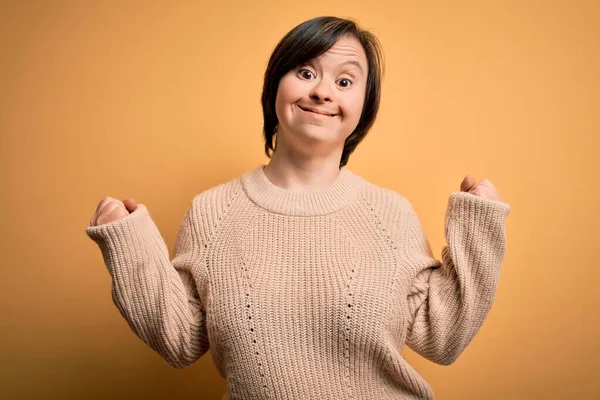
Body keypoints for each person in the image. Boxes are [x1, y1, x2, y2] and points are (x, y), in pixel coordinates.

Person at [86, 16, 511, 400]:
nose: (323, 91)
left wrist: (479, 228)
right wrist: (129, 245)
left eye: (345, 82)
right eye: (305, 72)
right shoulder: (212, 212)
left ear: (363, 108)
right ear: (275, 87)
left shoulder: (390, 214)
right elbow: (180, 342)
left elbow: (443, 337)